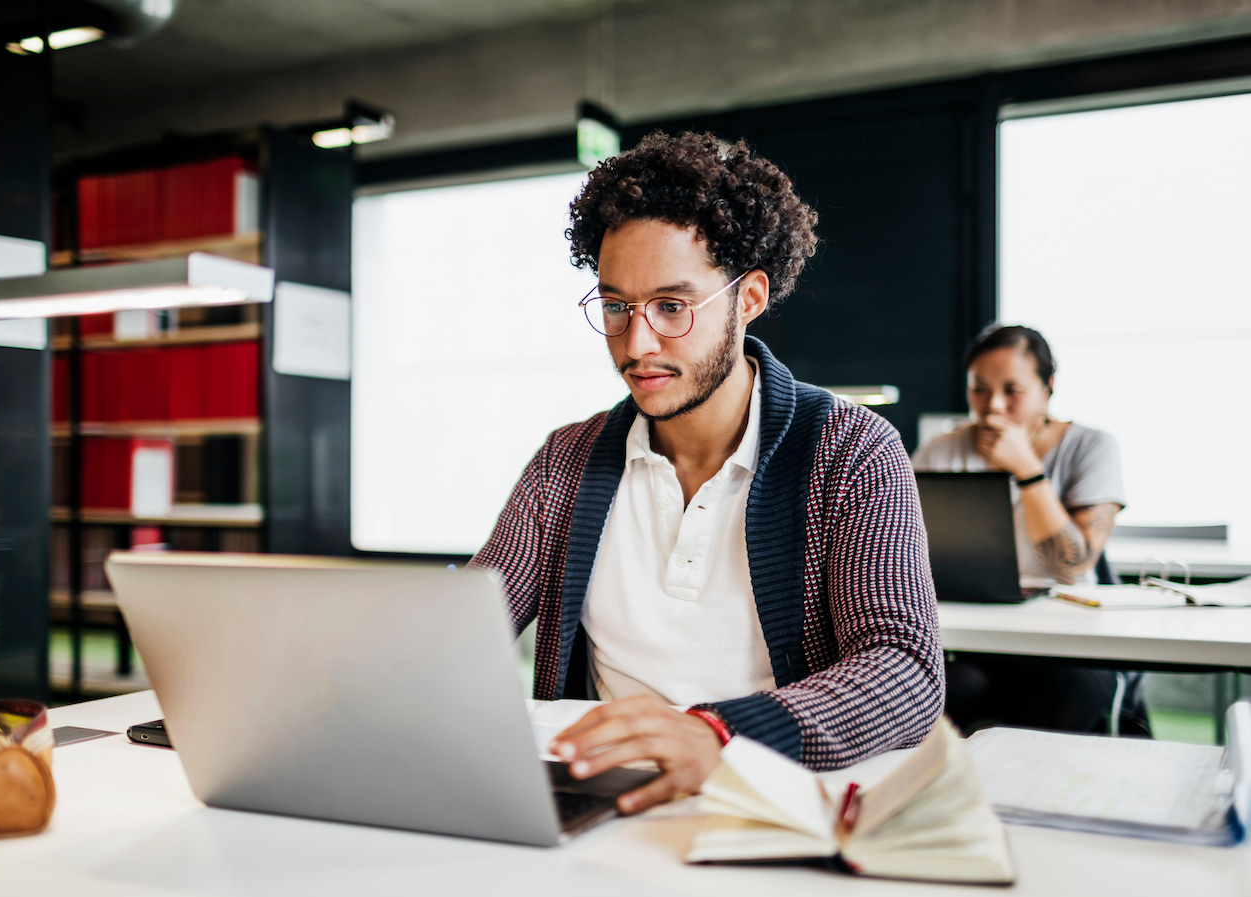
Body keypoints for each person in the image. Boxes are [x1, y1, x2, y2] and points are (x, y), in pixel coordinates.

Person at [469, 131, 944, 815]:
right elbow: (470, 621)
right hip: (604, 811)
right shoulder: (565, 460)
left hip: (770, 811)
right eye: (614, 306)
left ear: (747, 298)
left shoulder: (851, 449)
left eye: (671, 306)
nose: (636, 345)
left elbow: (904, 671)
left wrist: (717, 734)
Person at [913, 324, 1133, 733]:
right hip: (975, 639)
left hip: (1069, 646)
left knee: (1054, 704)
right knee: (929, 703)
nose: (992, 405)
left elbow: (1071, 565)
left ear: (1048, 386)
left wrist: (1028, 471)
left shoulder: (1091, 447)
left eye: (1012, 390)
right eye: (978, 388)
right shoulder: (941, 451)